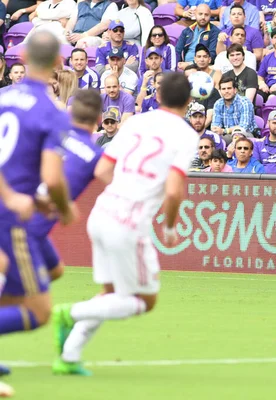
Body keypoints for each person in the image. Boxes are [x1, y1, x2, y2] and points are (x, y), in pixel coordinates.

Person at [52, 72, 199, 376]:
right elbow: (174, 190)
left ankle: (69, 355)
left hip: (103, 210)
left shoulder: (136, 122)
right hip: (129, 222)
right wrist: (169, 229)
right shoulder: (185, 135)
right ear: (188, 101)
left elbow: (104, 168)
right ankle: (69, 313)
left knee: (111, 292)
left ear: (157, 96)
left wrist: (126, 188)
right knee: (144, 300)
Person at [0, 32, 75, 395]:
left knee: (9, 292)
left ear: (24, 56)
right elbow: (51, 178)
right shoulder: (52, 112)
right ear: (60, 63)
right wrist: (63, 208)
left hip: (6, 203)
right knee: (39, 311)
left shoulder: (3, 98)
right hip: (10, 218)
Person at [28, 89, 104, 290]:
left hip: (19, 209)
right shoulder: (96, 156)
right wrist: (65, 208)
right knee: (38, 311)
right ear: (100, 118)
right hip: (29, 227)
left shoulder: (52, 132)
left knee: (55, 270)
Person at [212, 75, 259, 141]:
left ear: (235, 90)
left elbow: (243, 127)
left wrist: (224, 131)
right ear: (220, 91)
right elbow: (215, 126)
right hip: (227, 135)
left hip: (246, 135)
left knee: (238, 137)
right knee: (213, 139)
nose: (226, 91)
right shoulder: (218, 104)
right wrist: (217, 130)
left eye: (229, 88)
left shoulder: (244, 102)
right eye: (223, 89)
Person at [175, 5, 221, 69]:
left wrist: (191, 64)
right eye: (200, 14)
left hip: (203, 67)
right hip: (183, 66)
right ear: (195, 14)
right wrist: (178, 64)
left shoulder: (215, 32)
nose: (203, 17)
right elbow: (177, 51)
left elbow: (212, 55)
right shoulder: (187, 31)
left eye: (206, 15)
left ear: (210, 16)